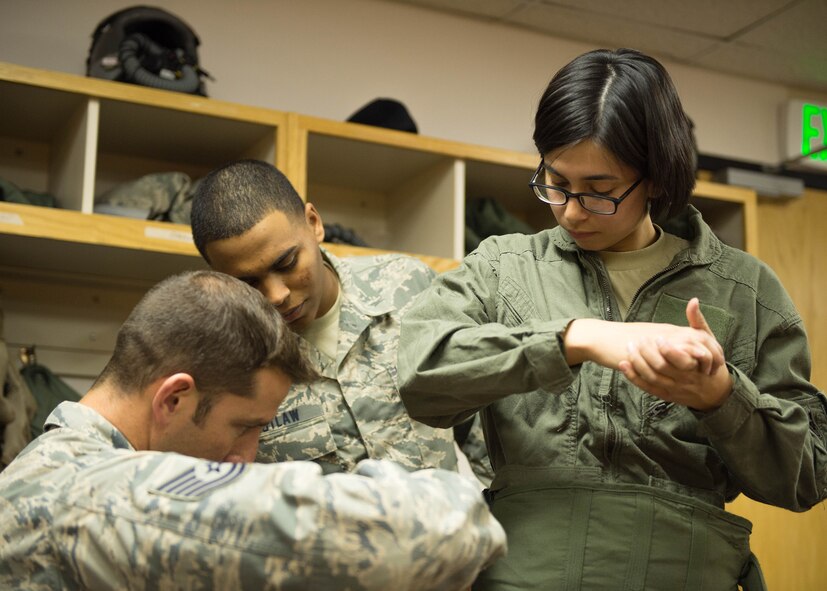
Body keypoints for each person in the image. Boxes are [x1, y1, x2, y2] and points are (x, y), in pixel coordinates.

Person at [397, 48, 827, 590]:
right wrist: (573, 338)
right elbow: (419, 374)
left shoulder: (746, 291)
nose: (572, 210)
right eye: (555, 182)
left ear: (656, 180)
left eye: (600, 192)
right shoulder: (504, 268)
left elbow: (809, 475)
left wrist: (722, 395)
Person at [0, 271, 506, 590]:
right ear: (173, 398)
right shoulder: (92, 493)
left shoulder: (50, 464)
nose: (249, 454)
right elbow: (437, 530)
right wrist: (457, 485)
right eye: (245, 426)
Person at [190, 159, 493, 485]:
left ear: (313, 222)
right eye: (248, 283)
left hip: (445, 532)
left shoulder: (408, 287)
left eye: (288, 262)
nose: (276, 295)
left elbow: (483, 429)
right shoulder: (225, 365)